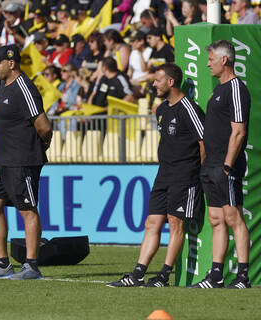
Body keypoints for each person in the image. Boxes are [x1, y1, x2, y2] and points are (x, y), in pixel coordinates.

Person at [107, 63, 205, 288]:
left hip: (184, 174)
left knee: (175, 224)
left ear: (170, 82)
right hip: (164, 174)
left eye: (157, 80)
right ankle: (138, 274)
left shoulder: (189, 108)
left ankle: (163, 276)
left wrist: (196, 172)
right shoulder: (161, 109)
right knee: (151, 223)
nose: (153, 84)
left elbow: (204, 143)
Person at [0, 44, 53, 280]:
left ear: (11, 63)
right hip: (4, 160)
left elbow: (44, 126)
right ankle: (1, 264)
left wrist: (38, 148)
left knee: (27, 210)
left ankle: (31, 266)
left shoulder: (24, 87)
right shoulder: (3, 85)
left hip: (22, 159)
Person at [189, 40, 251, 289]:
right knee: (216, 219)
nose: (207, 64)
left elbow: (239, 131)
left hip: (226, 166)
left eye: (211, 59)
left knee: (233, 217)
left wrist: (227, 165)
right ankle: (216, 275)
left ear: (224, 60)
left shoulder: (236, 88)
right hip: (211, 164)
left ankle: (243, 276)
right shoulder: (218, 90)